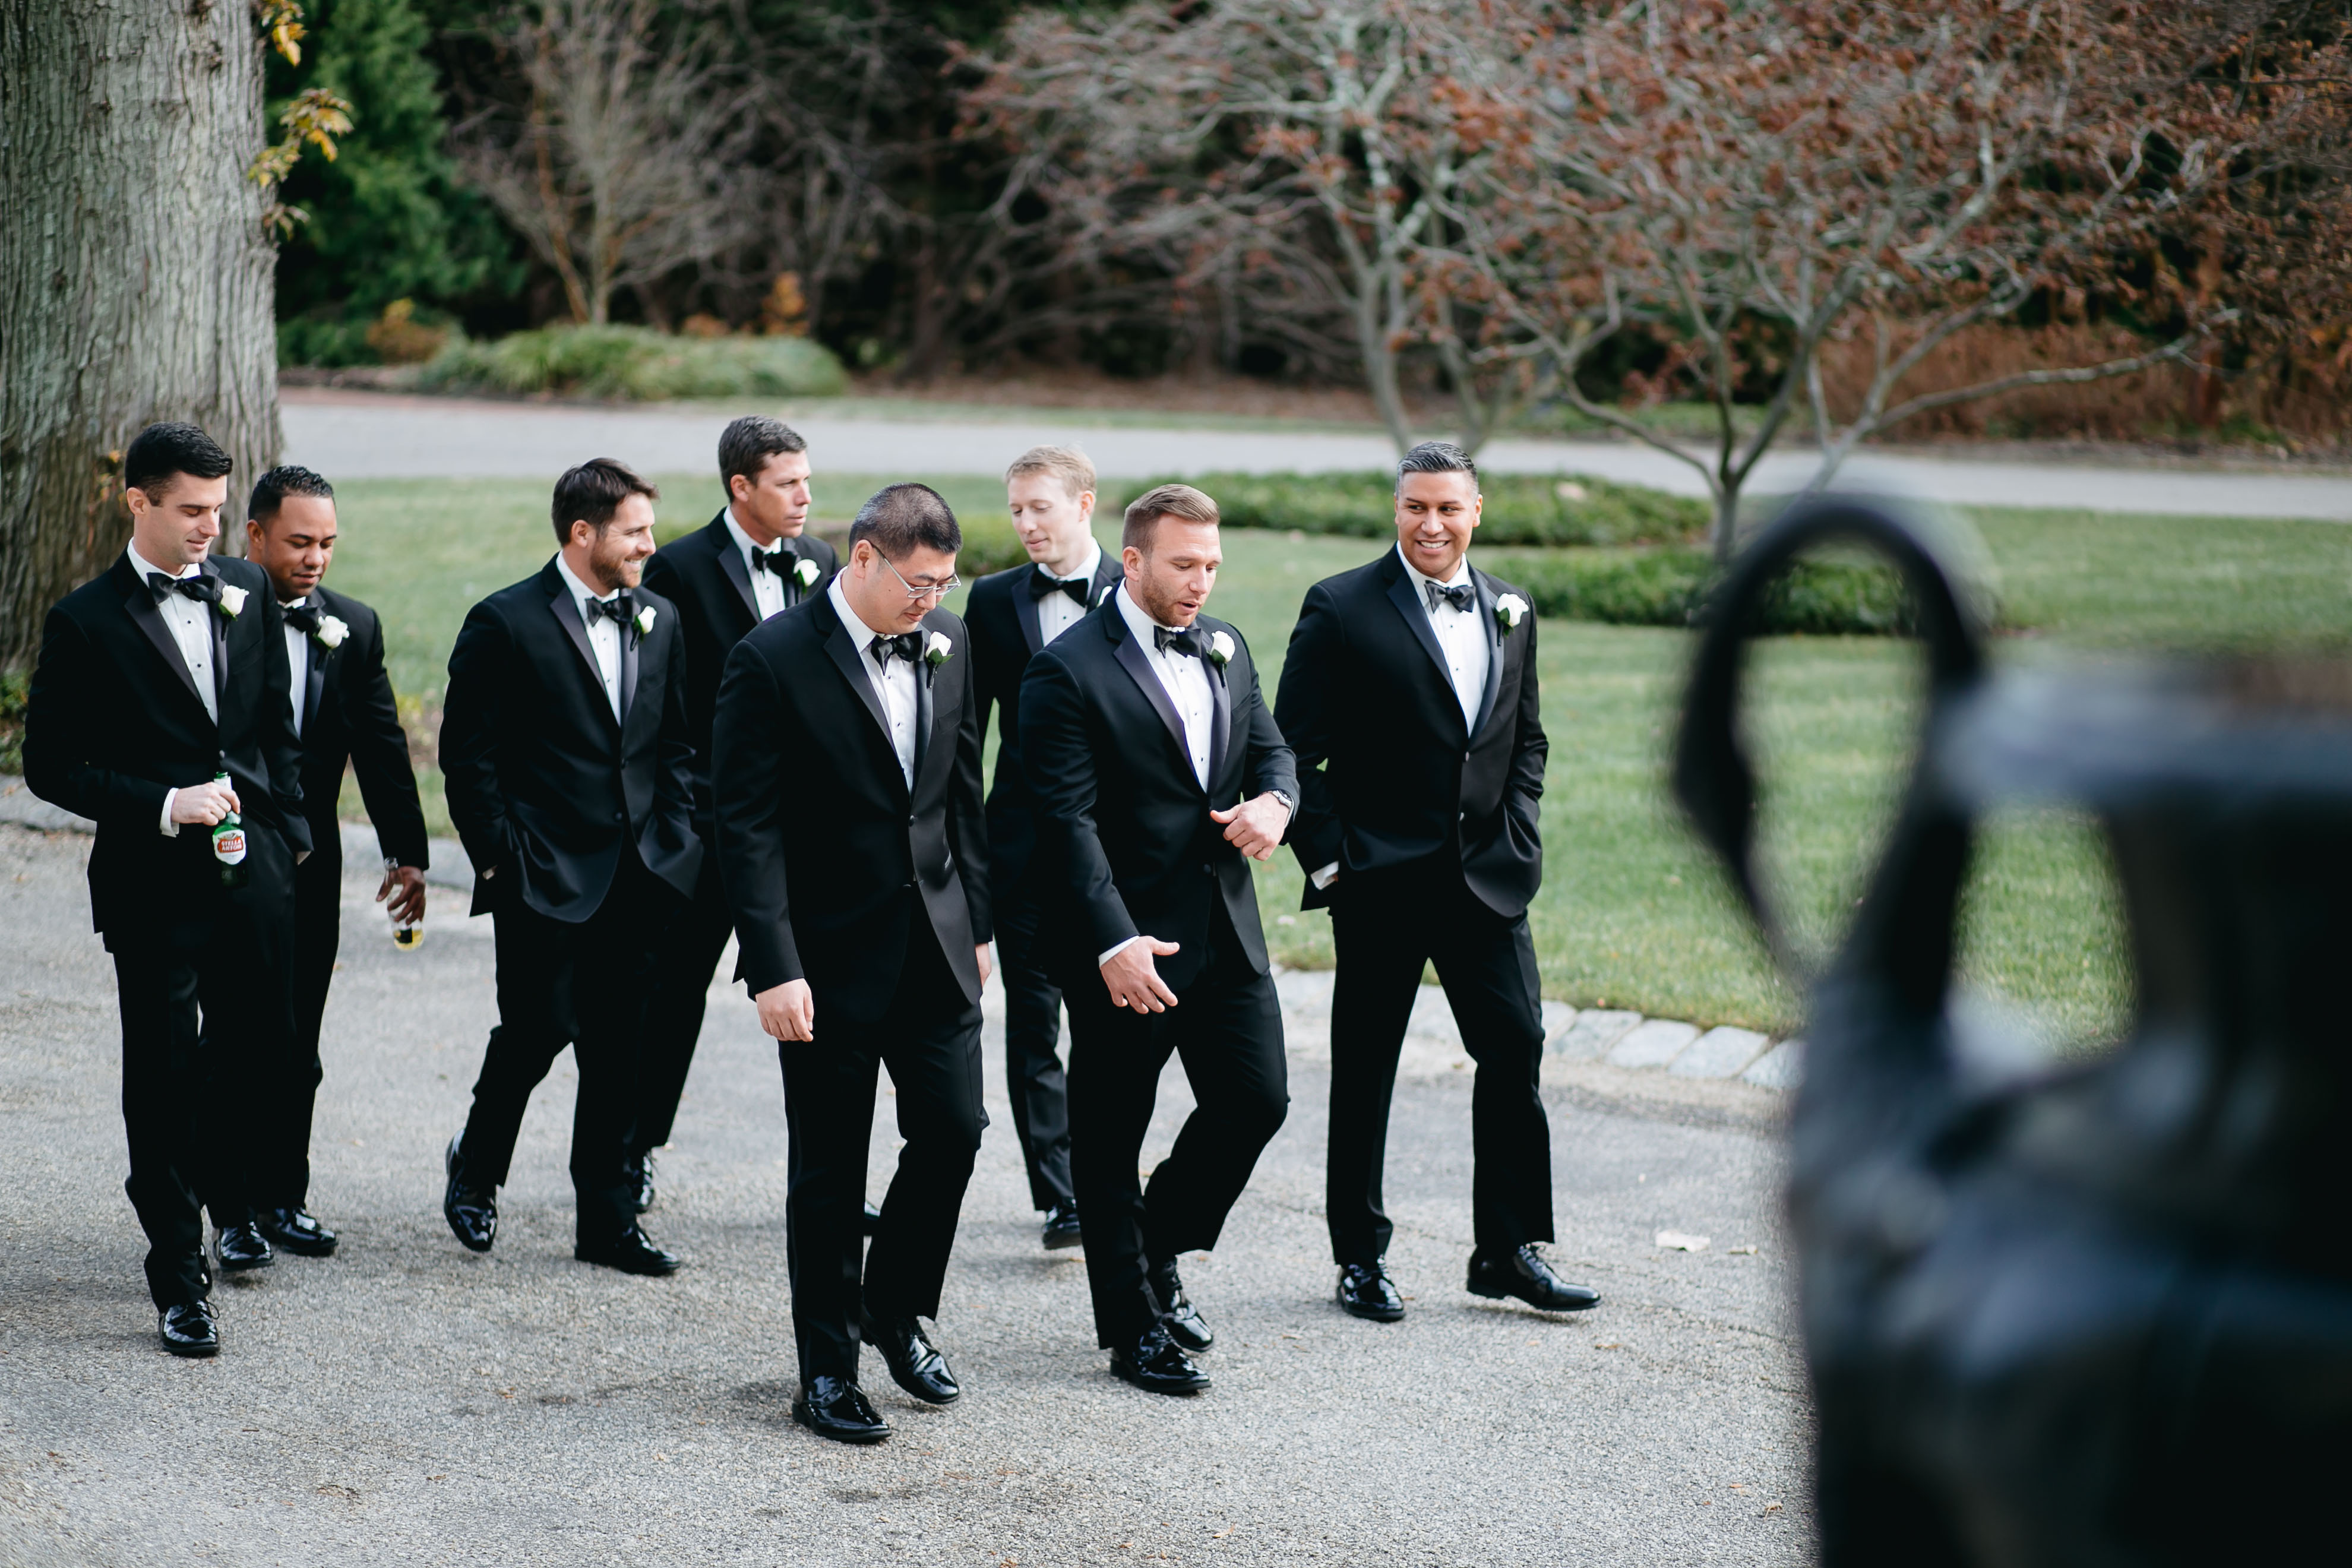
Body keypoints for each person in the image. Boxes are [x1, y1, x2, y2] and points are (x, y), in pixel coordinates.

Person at [1274, 441, 1598, 1322]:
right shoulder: (1340, 606)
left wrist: (1519, 824)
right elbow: (1291, 750)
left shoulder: (1511, 609)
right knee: (1368, 1067)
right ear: (1397, 509)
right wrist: (1336, 860)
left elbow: (1524, 736)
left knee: (1515, 1047)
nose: (1432, 523)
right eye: (1417, 506)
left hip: (1488, 879)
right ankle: (1359, 1258)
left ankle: (1508, 1249)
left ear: (1477, 512)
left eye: (1449, 508)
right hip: (1379, 880)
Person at [22, 421, 310, 1357]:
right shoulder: (83, 620)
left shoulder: (246, 590)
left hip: (254, 873)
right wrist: (164, 803)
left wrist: (289, 835)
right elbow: (50, 767)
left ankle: (226, 1199)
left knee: (247, 1055)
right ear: (136, 501)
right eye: (190, 511)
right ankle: (177, 1275)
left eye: (219, 512)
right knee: (162, 1071)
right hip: (151, 885)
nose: (209, 530)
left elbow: (272, 728)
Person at [712, 483, 992, 1445]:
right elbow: (743, 829)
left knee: (956, 1130)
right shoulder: (772, 660)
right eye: (918, 582)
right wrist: (773, 964)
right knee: (830, 1173)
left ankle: (893, 1300)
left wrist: (979, 924)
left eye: (945, 583)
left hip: (939, 948)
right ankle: (826, 1372)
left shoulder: (950, 642)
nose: (932, 601)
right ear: (863, 559)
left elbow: (962, 795)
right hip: (824, 964)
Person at [1019, 482, 1297, 1395]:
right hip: (1125, 951)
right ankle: (1132, 1327)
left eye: (1212, 565)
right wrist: (1112, 941)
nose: (1201, 583)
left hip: (1227, 931)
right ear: (1132, 560)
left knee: (1257, 1102)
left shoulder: (1225, 643)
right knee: (1109, 1135)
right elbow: (1065, 822)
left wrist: (1277, 802)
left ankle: (1154, 1239)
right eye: (1184, 565)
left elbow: (1271, 746)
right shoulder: (1066, 669)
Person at [436, 458, 700, 1276]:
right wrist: (503, 863)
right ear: (583, 534)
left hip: (642, 874)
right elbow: (466, 760)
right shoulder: (506, 621)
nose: (650, 547)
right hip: (541, 875)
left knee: (621, 1050)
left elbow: (679, 743)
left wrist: (678, 837)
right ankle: (477, 1170)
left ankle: (607, 1224)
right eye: (635, 532)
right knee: (536, 1031)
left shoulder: (661, 617)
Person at [633, 416, 839, 1215]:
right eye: (788, 483)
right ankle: (635, 1148)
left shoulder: (822, 563)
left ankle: (826, 1175)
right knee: (673, 995)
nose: (805, 496)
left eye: (807, 480)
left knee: (820, 1003)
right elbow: (659, 709)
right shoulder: (678, 569)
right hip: (712, 826)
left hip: (807, 831)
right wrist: (685, 819)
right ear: (740, 487)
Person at [235, 465, 429, 1261]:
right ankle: (228, 1206)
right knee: (235, 1039)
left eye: (328, 543)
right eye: (299, 542)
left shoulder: (354, 626)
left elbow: (382, 748)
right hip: (231, 860)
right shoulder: (217, 615)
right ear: (254, 536)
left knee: (297, 1042)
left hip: (314, 869)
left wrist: (408, 855)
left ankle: (284, 1196)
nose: (316, 558)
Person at [962, 445, 1122, 1251]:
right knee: (1032, 1024)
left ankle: (1107, 1177)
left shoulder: (1137, 592)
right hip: (1019, 850)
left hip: (1115, 850)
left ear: (1084, 504)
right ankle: (1060, 1194)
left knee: (1109, 1027)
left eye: (1041, 508)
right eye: (1016, 509)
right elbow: (965, 739)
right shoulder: (990, 603)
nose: (1026, 524)